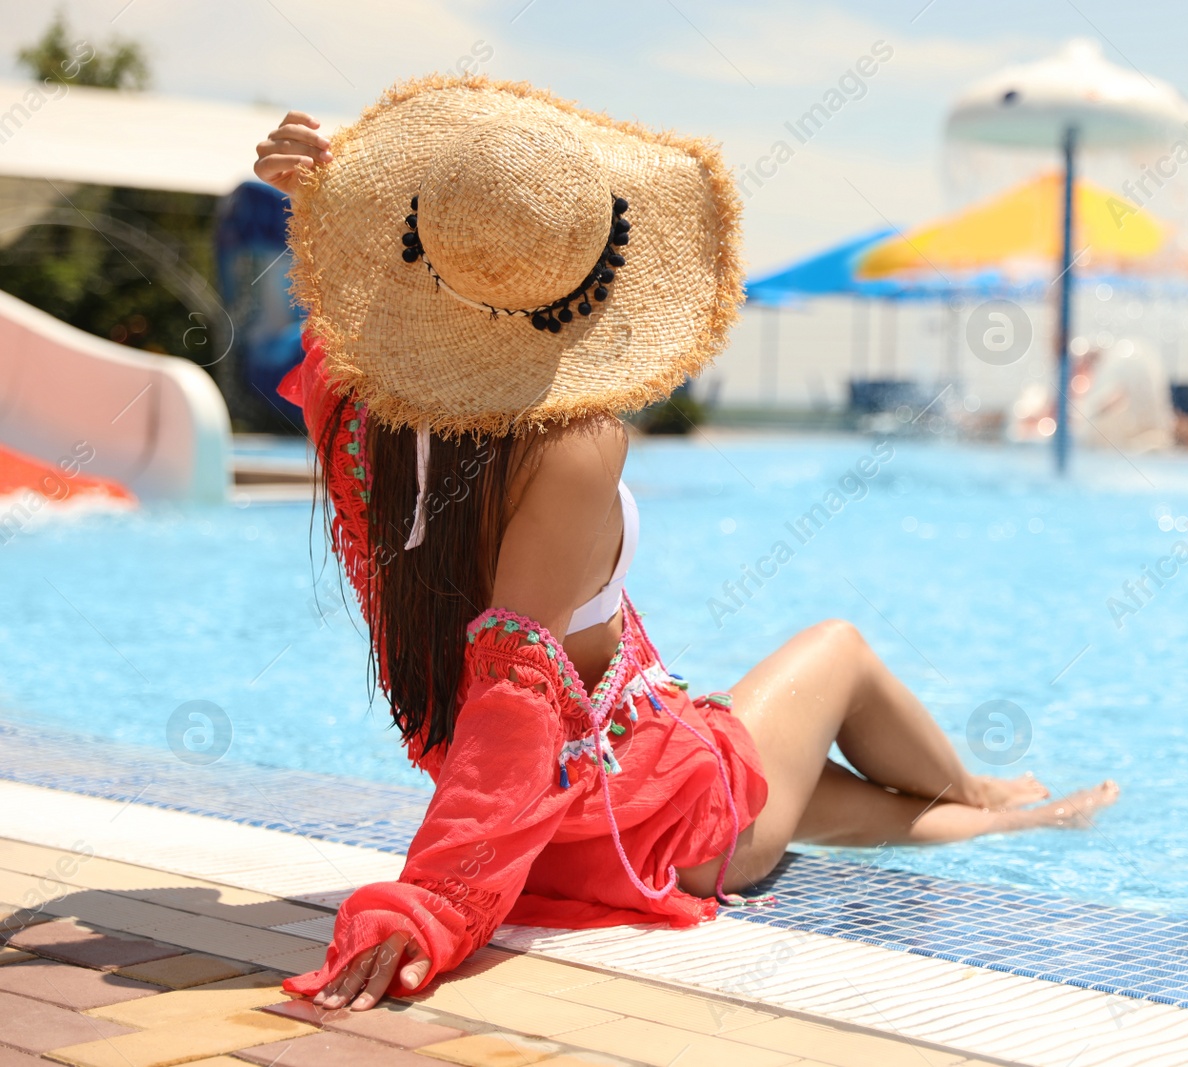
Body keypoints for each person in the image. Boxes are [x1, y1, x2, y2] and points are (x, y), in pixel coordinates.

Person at [254, 75, 1119, 1013]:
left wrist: (330, 210)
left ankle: (992, 815)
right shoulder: (568, 444)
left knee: (829, 794)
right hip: (652, 822)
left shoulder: (358, 418)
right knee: (837, 649)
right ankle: (988, 797)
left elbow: (508, 694)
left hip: (570, 817)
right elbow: (517, 700)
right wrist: (429, 904)